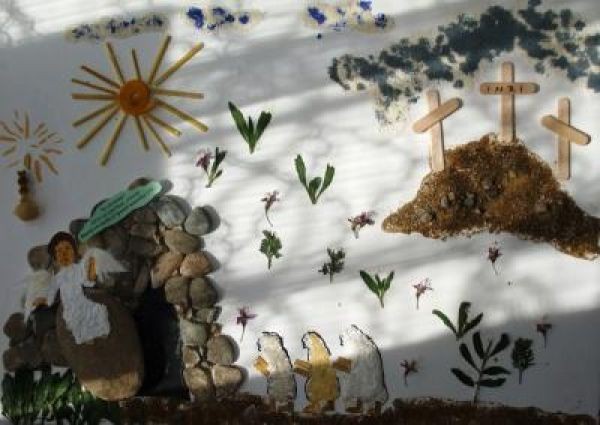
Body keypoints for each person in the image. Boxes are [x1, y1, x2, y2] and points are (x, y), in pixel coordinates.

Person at [45, 232, 124, 344]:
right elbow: (51, 293)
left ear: (74, 251)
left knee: (97, 312)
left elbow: (89, 281)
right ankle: (85, 337)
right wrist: (44, 300)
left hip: (81, 301)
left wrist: (92, 265)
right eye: (59, 251)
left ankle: (100, 332)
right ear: (55, 258)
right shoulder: (58, 278)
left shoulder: (78, 269)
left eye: (67, 248)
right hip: (70, 307)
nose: (64, 254)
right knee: (77, 320)